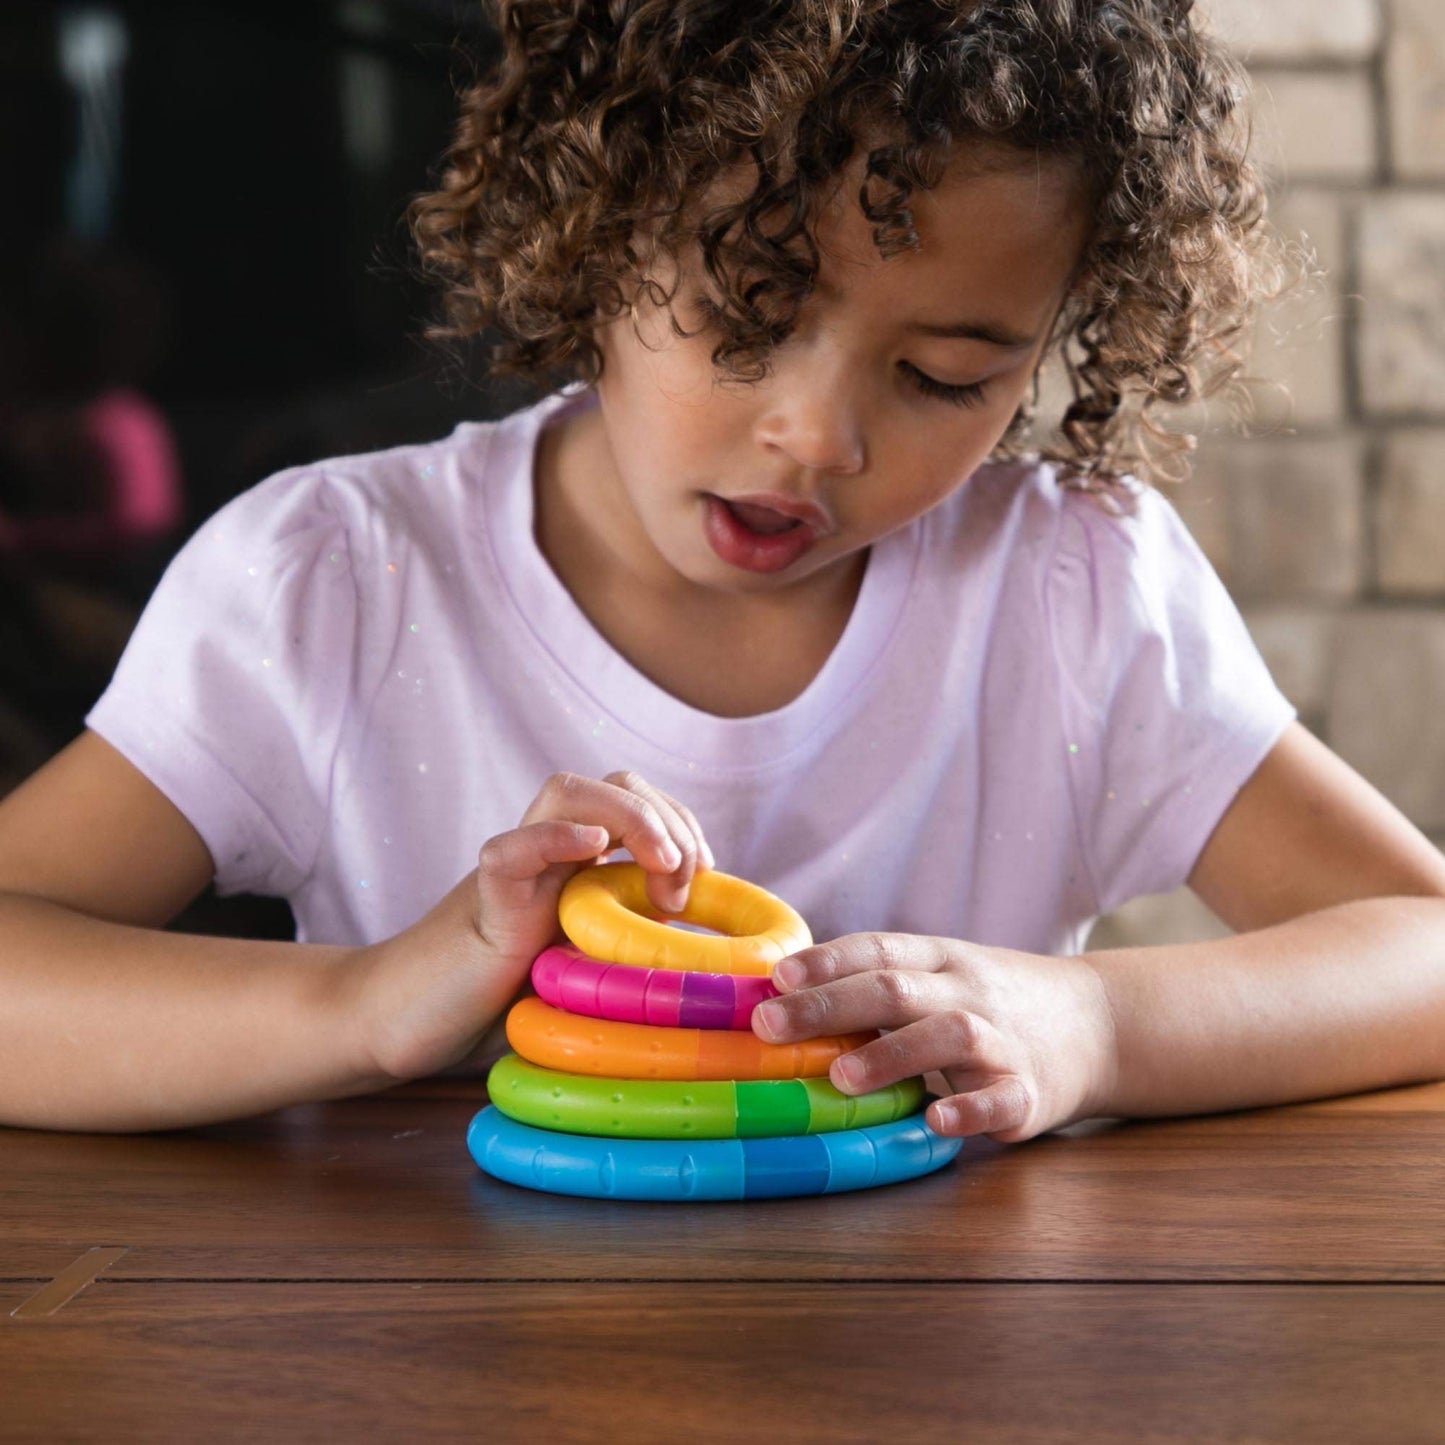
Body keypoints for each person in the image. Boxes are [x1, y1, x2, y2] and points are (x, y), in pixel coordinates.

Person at [2, 0, 1443, 1138]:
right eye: (744, 315)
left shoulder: (1067, 592)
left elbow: (1420, 948)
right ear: (597, 232)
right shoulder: (336, 582)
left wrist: (1095, 1027)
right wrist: (372, 1001)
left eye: (942, 376)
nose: (811, 437)